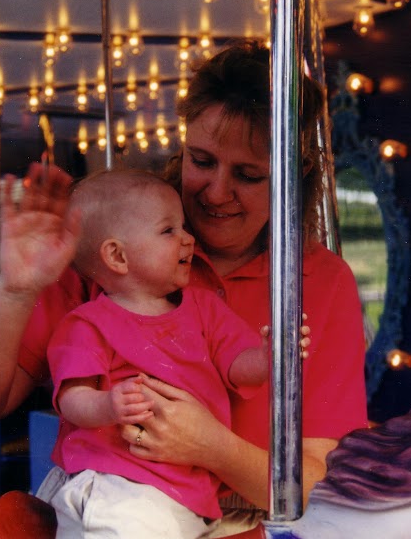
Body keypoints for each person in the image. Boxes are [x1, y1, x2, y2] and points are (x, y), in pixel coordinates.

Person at [0, 39, 368, 536]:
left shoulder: (319, 281)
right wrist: (16, 292)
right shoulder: (113, 249)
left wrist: (212, 447)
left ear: (292, 175)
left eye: (249, 175)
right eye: (202, 160)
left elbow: (321, 485)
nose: (216, 192)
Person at [47, 169, 267, 537]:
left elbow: (238, 366)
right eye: (169, 231)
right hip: (118, 484)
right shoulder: (88, 323)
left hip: (184, 498)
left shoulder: (203, 309)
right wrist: (108, 406)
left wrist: (271, 357)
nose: (188, 239)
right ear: (117, 256)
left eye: (182, 227)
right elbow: (71, 397)